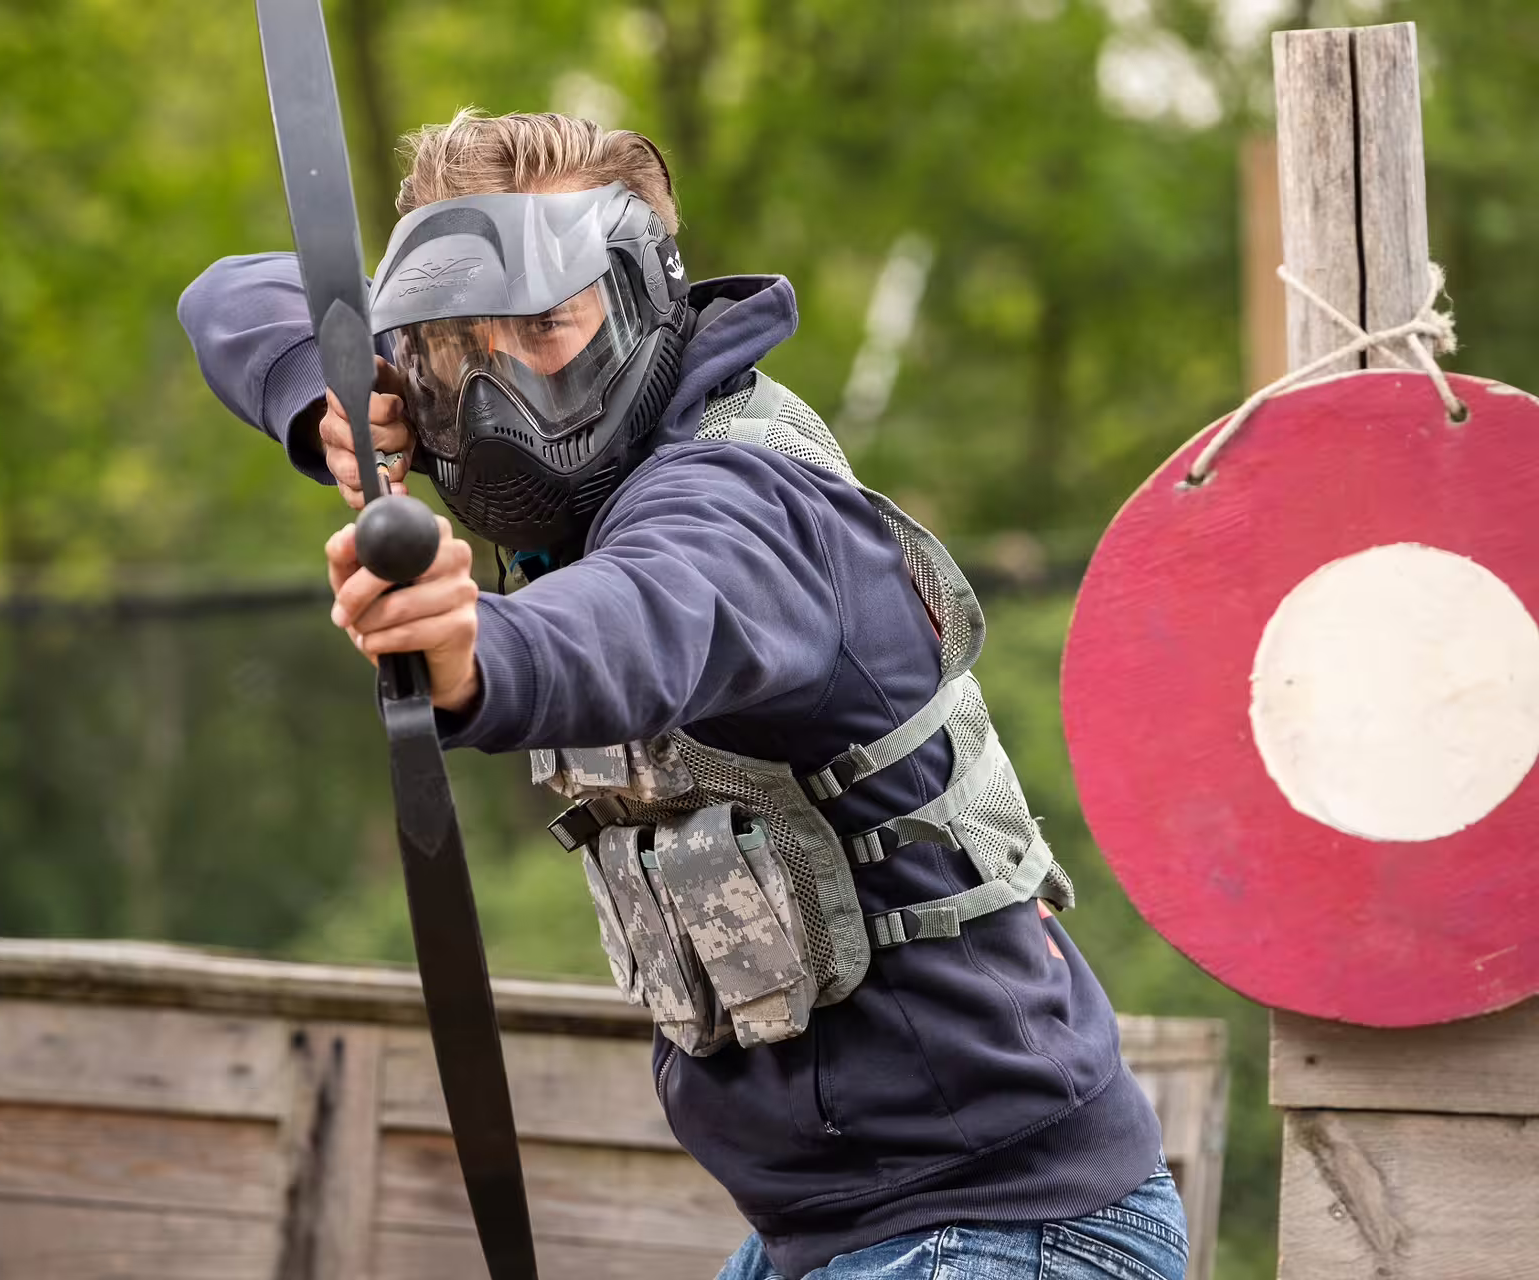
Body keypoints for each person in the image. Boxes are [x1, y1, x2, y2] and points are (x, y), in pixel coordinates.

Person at [179, 109, 1187, 1280]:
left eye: (551, 325)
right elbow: (230, 292)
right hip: (833, 1227)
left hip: (1009, 1227)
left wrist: (473, 648)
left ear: (642, 297)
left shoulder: (744, 491)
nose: (504, 384)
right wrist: (329, 394)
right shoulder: (590, 501)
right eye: (462, 346)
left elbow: (647, 617)